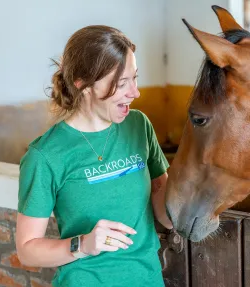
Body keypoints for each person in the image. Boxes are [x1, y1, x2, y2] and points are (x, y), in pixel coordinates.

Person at [15, 25, 173, 287]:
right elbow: (27, 249)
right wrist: (83, 244)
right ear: (83, 85)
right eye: (122, 83)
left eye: (135, 78)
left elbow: (163, 210)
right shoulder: (45, 156)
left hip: (148, 278)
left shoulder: (139, 126)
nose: (135, 92)